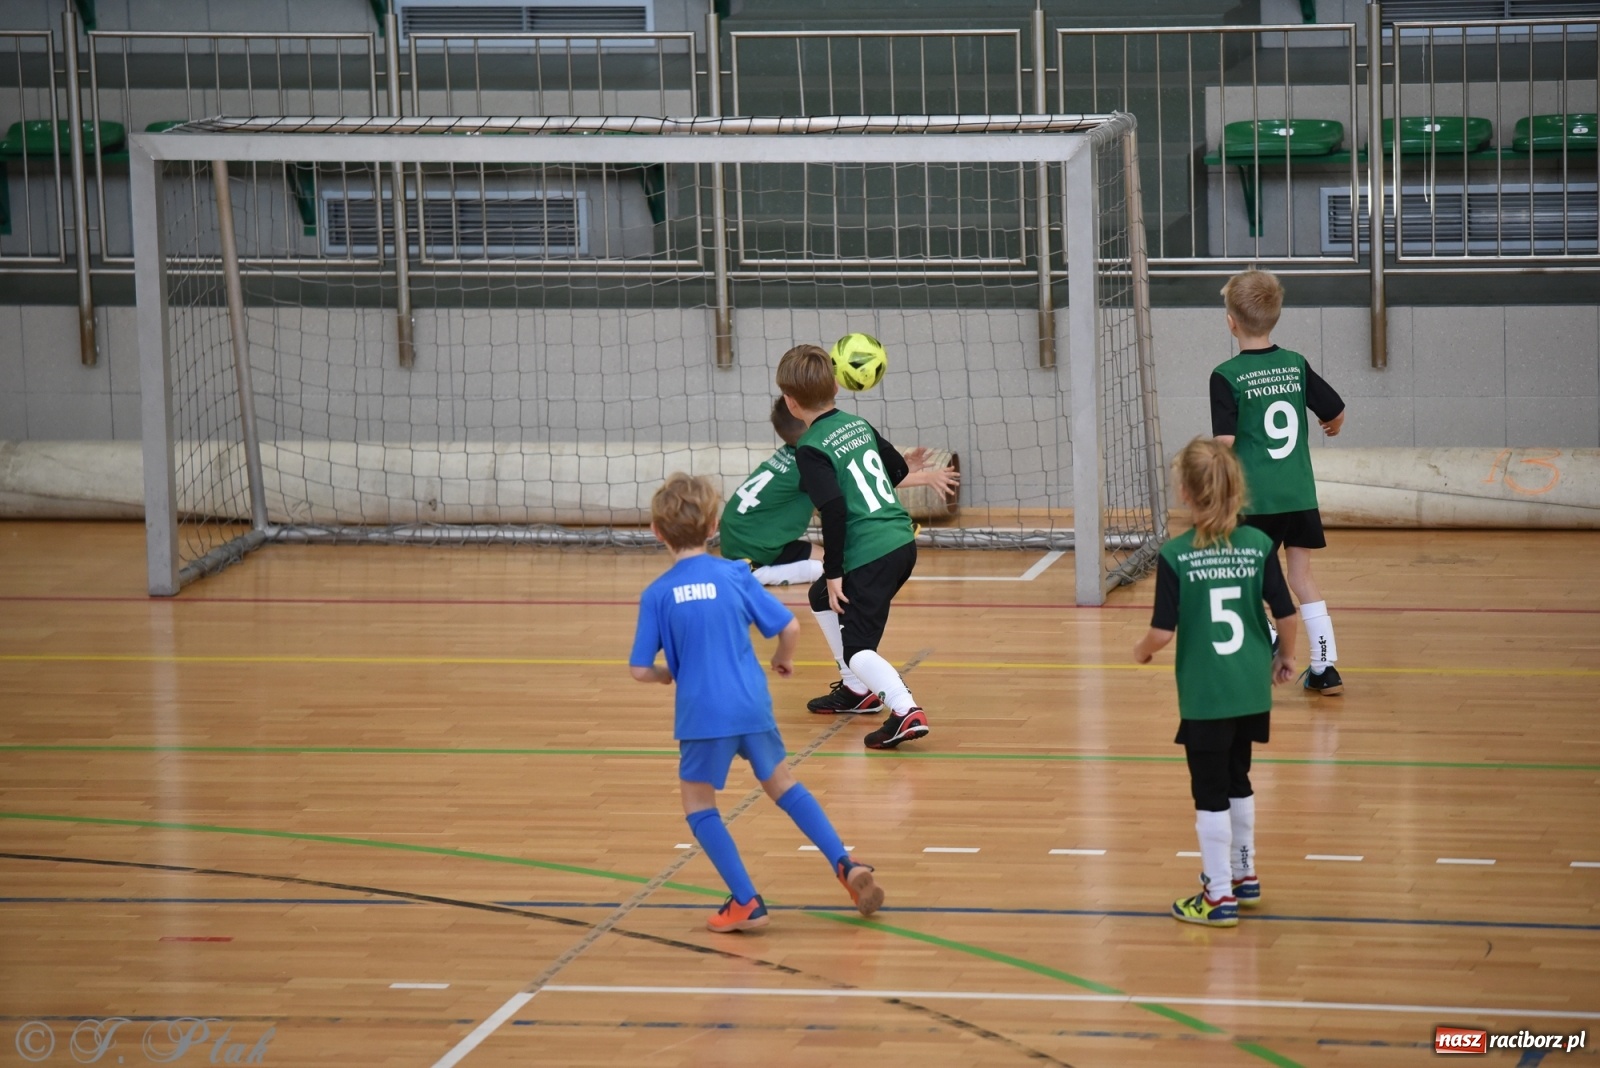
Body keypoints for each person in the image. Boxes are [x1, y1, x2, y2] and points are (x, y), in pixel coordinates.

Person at [629, 472, 886, 933]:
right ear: (713, 527)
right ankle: (845, 864)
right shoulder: (734, 574)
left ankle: (746, 900)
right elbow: (788, 628)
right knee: (784, 786)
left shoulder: (658, 594)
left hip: (703, 716)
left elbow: (638, 669)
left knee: (698, 804)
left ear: (656, 532)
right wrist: (783, 661)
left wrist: (670, 674)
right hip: (751, 705)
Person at [1134, 439, 1299, 927]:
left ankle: (1218, 897)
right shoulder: (1259, 545)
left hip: (1206, 696)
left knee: (1208, 792)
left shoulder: (1176, 555)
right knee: (1237, 779)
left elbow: (1162, 633)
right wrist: (1286, 657)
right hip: (1250, 688)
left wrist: (1141, 650)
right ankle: (1244, 876)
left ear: (1185, 491)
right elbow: (1286, 614)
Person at [776, 345, 928, 749]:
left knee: (859, 645)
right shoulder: (857, 424)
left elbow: (835, 510)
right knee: (820, 598)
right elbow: (896, 468)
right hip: (900, 541)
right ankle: (856, 690)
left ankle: (904, 711)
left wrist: (834, 571)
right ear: (836, 389)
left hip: (871, 553)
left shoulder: (810, 448)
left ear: (791, 403)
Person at [1210, 269, 1348, 695]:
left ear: (1231, 321)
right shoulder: (1295, 364)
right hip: (1299, 495)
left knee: (1242, 576)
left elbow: (1225, 443)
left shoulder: (1226, 375)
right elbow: (1335, 409)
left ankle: (1271, 640)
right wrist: (1333, 426)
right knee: (1302, 579)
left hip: (1255, 500)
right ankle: (1325, 667)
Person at [721, 397, 960, 588]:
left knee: (830, 556)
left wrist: (904, 469)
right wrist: (926, 477)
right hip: (753, 545)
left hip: (742, 533)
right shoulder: (810, 460)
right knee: (833, 567)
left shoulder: (796, 452)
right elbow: (860, 483)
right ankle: (752, 573)